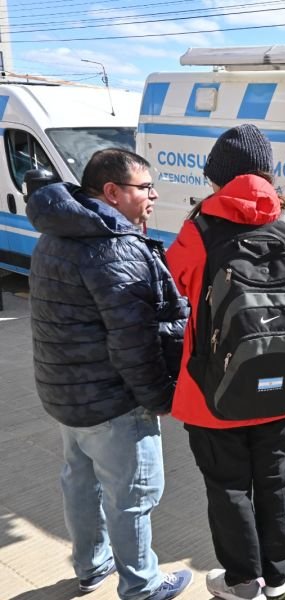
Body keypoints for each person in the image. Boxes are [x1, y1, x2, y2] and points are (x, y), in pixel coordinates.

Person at [26, 149, 192, 599]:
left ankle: (92, 567)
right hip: (113, 399)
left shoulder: (55, 233)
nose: (154, 195)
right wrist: (161, 397)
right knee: (133, 496)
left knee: (80, 482)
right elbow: (133, 342)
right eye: (145, 187)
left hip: (66, 394)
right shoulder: (112, 247)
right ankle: (142, 586)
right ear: (113, 193)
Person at [167, 124, 285, 600]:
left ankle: (241, 582)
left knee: (228, 486)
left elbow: (175, 286)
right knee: (275, 480)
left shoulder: (200, 228)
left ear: (218, 176)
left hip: (213, 391)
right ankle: (277, 578)